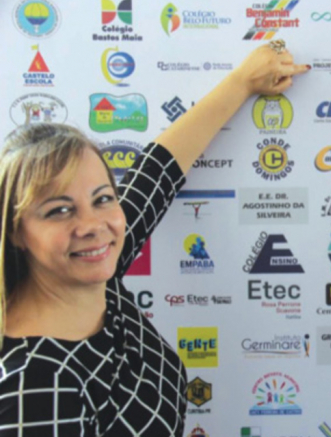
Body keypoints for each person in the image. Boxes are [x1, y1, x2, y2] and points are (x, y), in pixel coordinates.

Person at [0, 42, 308, 436]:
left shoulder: (98, 273)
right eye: (59, 210)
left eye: (102, 199)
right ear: (16, 231)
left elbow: (157, 171)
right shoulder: (34, 386)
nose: (92, 224)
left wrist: (242, 82)